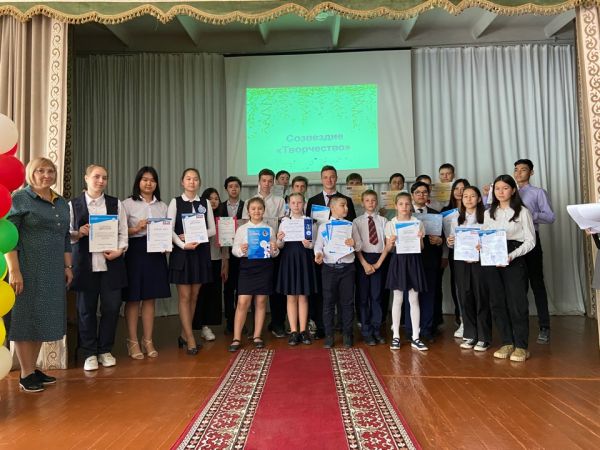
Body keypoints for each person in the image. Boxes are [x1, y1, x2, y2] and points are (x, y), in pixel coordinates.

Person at [5, 157, 72, 392]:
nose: (46, 175)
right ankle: (25, 374)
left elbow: (65, 236)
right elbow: (8, 236)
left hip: (52, 270)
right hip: (27, 268)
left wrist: (67, 267)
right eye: (40, 171)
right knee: (26, 318)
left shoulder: (60, 202)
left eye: (50, 171)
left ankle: (32, 369)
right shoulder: (20, 199)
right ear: (30, 174)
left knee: (43, 318)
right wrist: (14, 270)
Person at [70, 164, 128, 371]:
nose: (101, 181)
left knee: (111, 308)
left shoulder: (115, 203)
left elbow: (123, 233)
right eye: (96, 176)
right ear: (86, 178)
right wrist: (79, 233)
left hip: (111, 265)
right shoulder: (73, 204)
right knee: (86, 310)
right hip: (85, 266)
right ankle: (89, 353)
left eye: (104, 177)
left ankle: (105, 350)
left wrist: (119, 250)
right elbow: (66, 234)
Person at [483, 175, 535, 362]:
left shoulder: (522, 211)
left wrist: (512, 255)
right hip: (493, 259)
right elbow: (486, 235)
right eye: (497, 188)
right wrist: (481, 245)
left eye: (505, 188)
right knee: (497, 302)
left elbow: (531, 241)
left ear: (513, 190)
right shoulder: (489, 213)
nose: (501, 192)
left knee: (517, 302)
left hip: (514, 257)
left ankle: (521, 346)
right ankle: (507, 342)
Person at [122, 167, 171, 359]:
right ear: (138, 182)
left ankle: (148, 340)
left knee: (150, 298)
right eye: (145, 179)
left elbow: (166, 230)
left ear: (156, 183)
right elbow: (118, 231)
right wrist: (135, 229)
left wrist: (166, 244)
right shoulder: (127, 204)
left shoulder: (162, 206)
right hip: (135, 252)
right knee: (133, 298)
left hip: (156, 254)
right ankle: (132, 341)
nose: (148, 183)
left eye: (152, 180)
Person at [168, 168, 215, 355]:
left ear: (199, 182)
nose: (192, 182)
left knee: (194, 296)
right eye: (188, 178)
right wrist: (182, 243)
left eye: (195, 179)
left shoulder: (205, 202)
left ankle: (184, 335)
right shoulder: (175, 202)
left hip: (200, 253)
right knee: (185, 297)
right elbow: (169, 229)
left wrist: (195, 235)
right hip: (182, 253)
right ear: (182, 182)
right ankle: (191, 339)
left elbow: (212, 229)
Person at [306, 165, 357, 339]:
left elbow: (352, 226)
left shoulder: (346, 200)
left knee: (345, 299)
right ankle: (323, 329)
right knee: (324, 297)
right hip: (324, 257)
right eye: (326, 177)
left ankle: (344, 329)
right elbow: (309, 226)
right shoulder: (313, 200)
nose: (329, 180)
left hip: (344, 258)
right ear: (321, 179)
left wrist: (352, 244)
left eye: (332, 176)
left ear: (336, 178)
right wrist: (316, 252)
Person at [513, 159, 555, 344]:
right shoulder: (508, 191)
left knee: (537, 283)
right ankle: (519, 327)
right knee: (517, 285)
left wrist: (530, 214)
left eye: (523, 169)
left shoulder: (538, 193)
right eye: (516, 169)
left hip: (532, 239)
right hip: (513, 241)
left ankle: (544, 326)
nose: (519, 173)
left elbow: (550, 217)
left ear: (531, 172)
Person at [229, 197, 279, 351]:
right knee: (242, 302)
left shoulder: (269, 229)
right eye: (253, 208)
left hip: (264, 267)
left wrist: (274, 248)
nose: (257, 211)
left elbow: (275, 253)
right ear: (248, 211)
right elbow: (234, 250)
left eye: (259, 208)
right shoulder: (242, 229)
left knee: (261, 301)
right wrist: (241, 250)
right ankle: (236, 338)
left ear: (264, 210)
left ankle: (257, 336)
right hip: (247, 267)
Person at [446, 186, 491, 351]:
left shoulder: (487, 216)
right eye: (465, 196)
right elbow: (452, 242)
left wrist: (483, 244)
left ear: (479, 199)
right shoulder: (456, 219)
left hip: (480, 261)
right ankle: (470, 335)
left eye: (472, 196)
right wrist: (450, 242)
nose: (469, 199)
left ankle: (484, 337)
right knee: (465, 296)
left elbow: (492, 238)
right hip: (461, 262)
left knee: (481, 296)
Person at [242, 168, 286, 337]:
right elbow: (244, 225)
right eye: (264, 180)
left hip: (273, 249)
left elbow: (283, 223)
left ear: (273, 182)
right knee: (255, 291)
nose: (267, 184)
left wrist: (277, 243)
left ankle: (277, 324)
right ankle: (255, 327)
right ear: (259, 181)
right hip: (255, 251)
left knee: (276, 289)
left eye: (270, 181)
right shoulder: (250, 200)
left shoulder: (279, 201)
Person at [384, 192, 428, 351]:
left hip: (413, 261)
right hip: (398, 261)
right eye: (401, 204)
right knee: (397, 299)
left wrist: (420, 238)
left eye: (407, 204)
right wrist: (391, 242)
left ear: (411, 205)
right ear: (395, 206)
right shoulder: (391, 223)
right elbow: (388, 248)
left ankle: (416, 337)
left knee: (414, 299)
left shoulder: (417, 222)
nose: (404, 207)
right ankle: (396, 335)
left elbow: (421, 247)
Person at [313, 196, 357, 348]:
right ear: (332, 208)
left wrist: (355, 243)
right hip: (329, 268)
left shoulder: (351, 225)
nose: (346, 208)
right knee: (328, 302)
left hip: (347, 268)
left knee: (347, 302)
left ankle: (347, 334)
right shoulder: (323, 226)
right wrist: (318, 254)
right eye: (342, 205)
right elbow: (318, 245)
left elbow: (360, 245)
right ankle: (329, 335)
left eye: (346, 205)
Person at [276, 193, 317, 345]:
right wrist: (279, 239)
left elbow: (315, 244)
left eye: (299, 202)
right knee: (291, 296)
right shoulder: (284, 222)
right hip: (289, 259)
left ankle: (303, 331)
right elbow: (280, 245)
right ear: (289, 204)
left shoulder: (309, 222)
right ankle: (294, 331)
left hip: (304, 258)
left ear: (304, 204)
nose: (296, 205)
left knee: (303, 296)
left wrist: (309, 244)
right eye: (293, 203)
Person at [352, 190, 389, 345]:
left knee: (377, 296)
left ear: (377, 202)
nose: (371, 203)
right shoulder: (356, 222)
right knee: (363, 297)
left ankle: (376, 329)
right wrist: (364, 263)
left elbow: (387, 244)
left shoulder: (384, 221)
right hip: (363, 260)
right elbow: (356, 245)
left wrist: (379, 263)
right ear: (362, 203)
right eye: (367, 200)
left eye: (373, 200)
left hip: (379, 259)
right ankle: (366, 331)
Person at [408, 181, 442, 341]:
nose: (421, 195)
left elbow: (444, 238)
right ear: (412, 195)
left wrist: (439, 241)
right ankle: (411, 330)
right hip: (411, 261)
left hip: (430, 260)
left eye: (424, 192)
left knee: (429, 296)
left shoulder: (436, 214)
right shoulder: (406, 213)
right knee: (411, 297)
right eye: (418, 192)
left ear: (428, 195)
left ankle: (427, 330)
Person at [193, 188, 228, 342]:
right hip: (201, 261)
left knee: (212, 294)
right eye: (210, 198)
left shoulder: (223, 219)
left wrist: (225, 262)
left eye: (216, 198)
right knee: (200, 294)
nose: (213, 201)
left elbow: (226, 244)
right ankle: (196, 325)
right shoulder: (198, 218)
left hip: (216, 260)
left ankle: (206, 326)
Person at [439, 178, 469, 336]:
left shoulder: (472, 208)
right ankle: (460, 317)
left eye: (463, 188)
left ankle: (471, 319)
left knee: (472, 285)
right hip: (454, 252)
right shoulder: (446, 210)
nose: (459, 191)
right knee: (456, 285)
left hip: (472, 252)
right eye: (456, 188)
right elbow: (443, 236)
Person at [218, 176, 244, 334]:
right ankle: (230, 321)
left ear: (240, 188)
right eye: (230, 186)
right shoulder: (220, 207)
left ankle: (240, 321)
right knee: (228, 288)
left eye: (236, 186)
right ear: (226, 189)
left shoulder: (247, 206)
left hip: (243, 253)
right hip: (226, 254)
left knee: (241, 289)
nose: (234, 189)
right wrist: (224, 259)